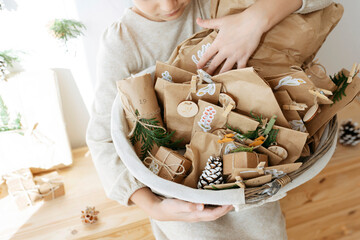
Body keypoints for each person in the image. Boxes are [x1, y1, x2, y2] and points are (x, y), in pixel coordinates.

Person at [86, 0, 333, 239]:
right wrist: (152, 206)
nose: (169, 5)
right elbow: (102, 137)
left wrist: (255, 18)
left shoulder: (216, 5)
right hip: (182, 206)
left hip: (254, 191)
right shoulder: (122, 43)